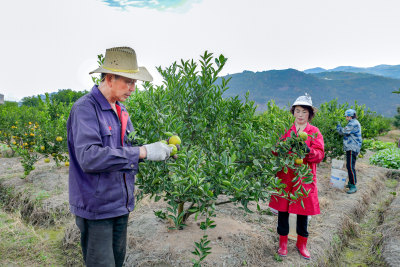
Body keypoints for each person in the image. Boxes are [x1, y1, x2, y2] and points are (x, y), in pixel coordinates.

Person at [67, 46, 173, 267]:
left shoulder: (122, 112)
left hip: (120, 205)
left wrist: (156, 150)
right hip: (96, 208)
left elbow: (129, 151)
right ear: (109, 78)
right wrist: (142, 151)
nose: (133, 89)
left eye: (135, 83)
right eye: (128, 82)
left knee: (116, 263)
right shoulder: (85, 109)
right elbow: (89, 157)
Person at [269, 93, 325, 260]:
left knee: (303, 211)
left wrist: (308, 151)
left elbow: (320, 155)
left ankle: (302, 244)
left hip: (304, 177)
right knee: (283, 210)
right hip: (286, 175)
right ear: (293, 112)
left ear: (310, 114)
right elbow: (274, 150)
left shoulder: (314, 132)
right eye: (297, 111)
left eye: (304, 112)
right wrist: (284, 147)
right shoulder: (286, 130)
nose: (300, 115)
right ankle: (283, 244)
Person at [336, 109, 362, 194]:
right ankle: (351, 182)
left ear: (350, 116)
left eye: (346, 116)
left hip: (352, 147)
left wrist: (338, 127)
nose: (346, 118)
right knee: (350, 165)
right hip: (351, 147)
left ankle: (353, 185)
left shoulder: (353, 123)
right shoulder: (354, 122)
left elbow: (343, 131)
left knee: (350, 166)